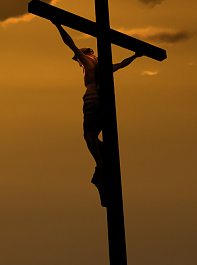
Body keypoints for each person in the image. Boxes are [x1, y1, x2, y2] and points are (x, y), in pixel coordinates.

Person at [54, 23, 141, 194]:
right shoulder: (104, 67)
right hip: (105, 101)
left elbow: (70, 43)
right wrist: (136, 56)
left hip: (92, 97)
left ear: (84, 54)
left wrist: (57, 25)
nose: (78, 62)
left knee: (88, 133)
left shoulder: (87, 61)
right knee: (95, 135)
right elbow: (122, 64)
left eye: (78, 58)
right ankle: (104, 156)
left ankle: (100, 162)